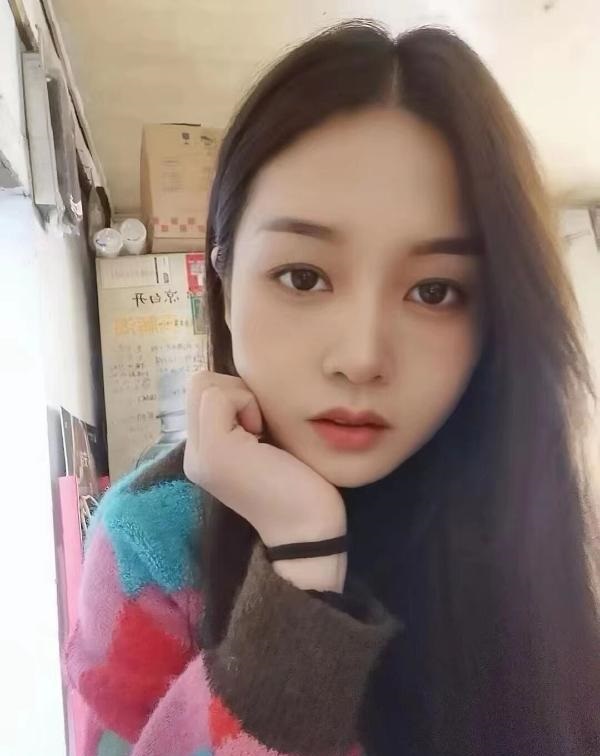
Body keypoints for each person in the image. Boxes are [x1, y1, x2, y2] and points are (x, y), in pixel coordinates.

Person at [65, 19, 600, 756]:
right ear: (223, 286)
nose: (361, 357)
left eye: (435, 291)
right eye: (303, 276)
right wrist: (298, 574)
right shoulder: (152, 541)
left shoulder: (523, 507)